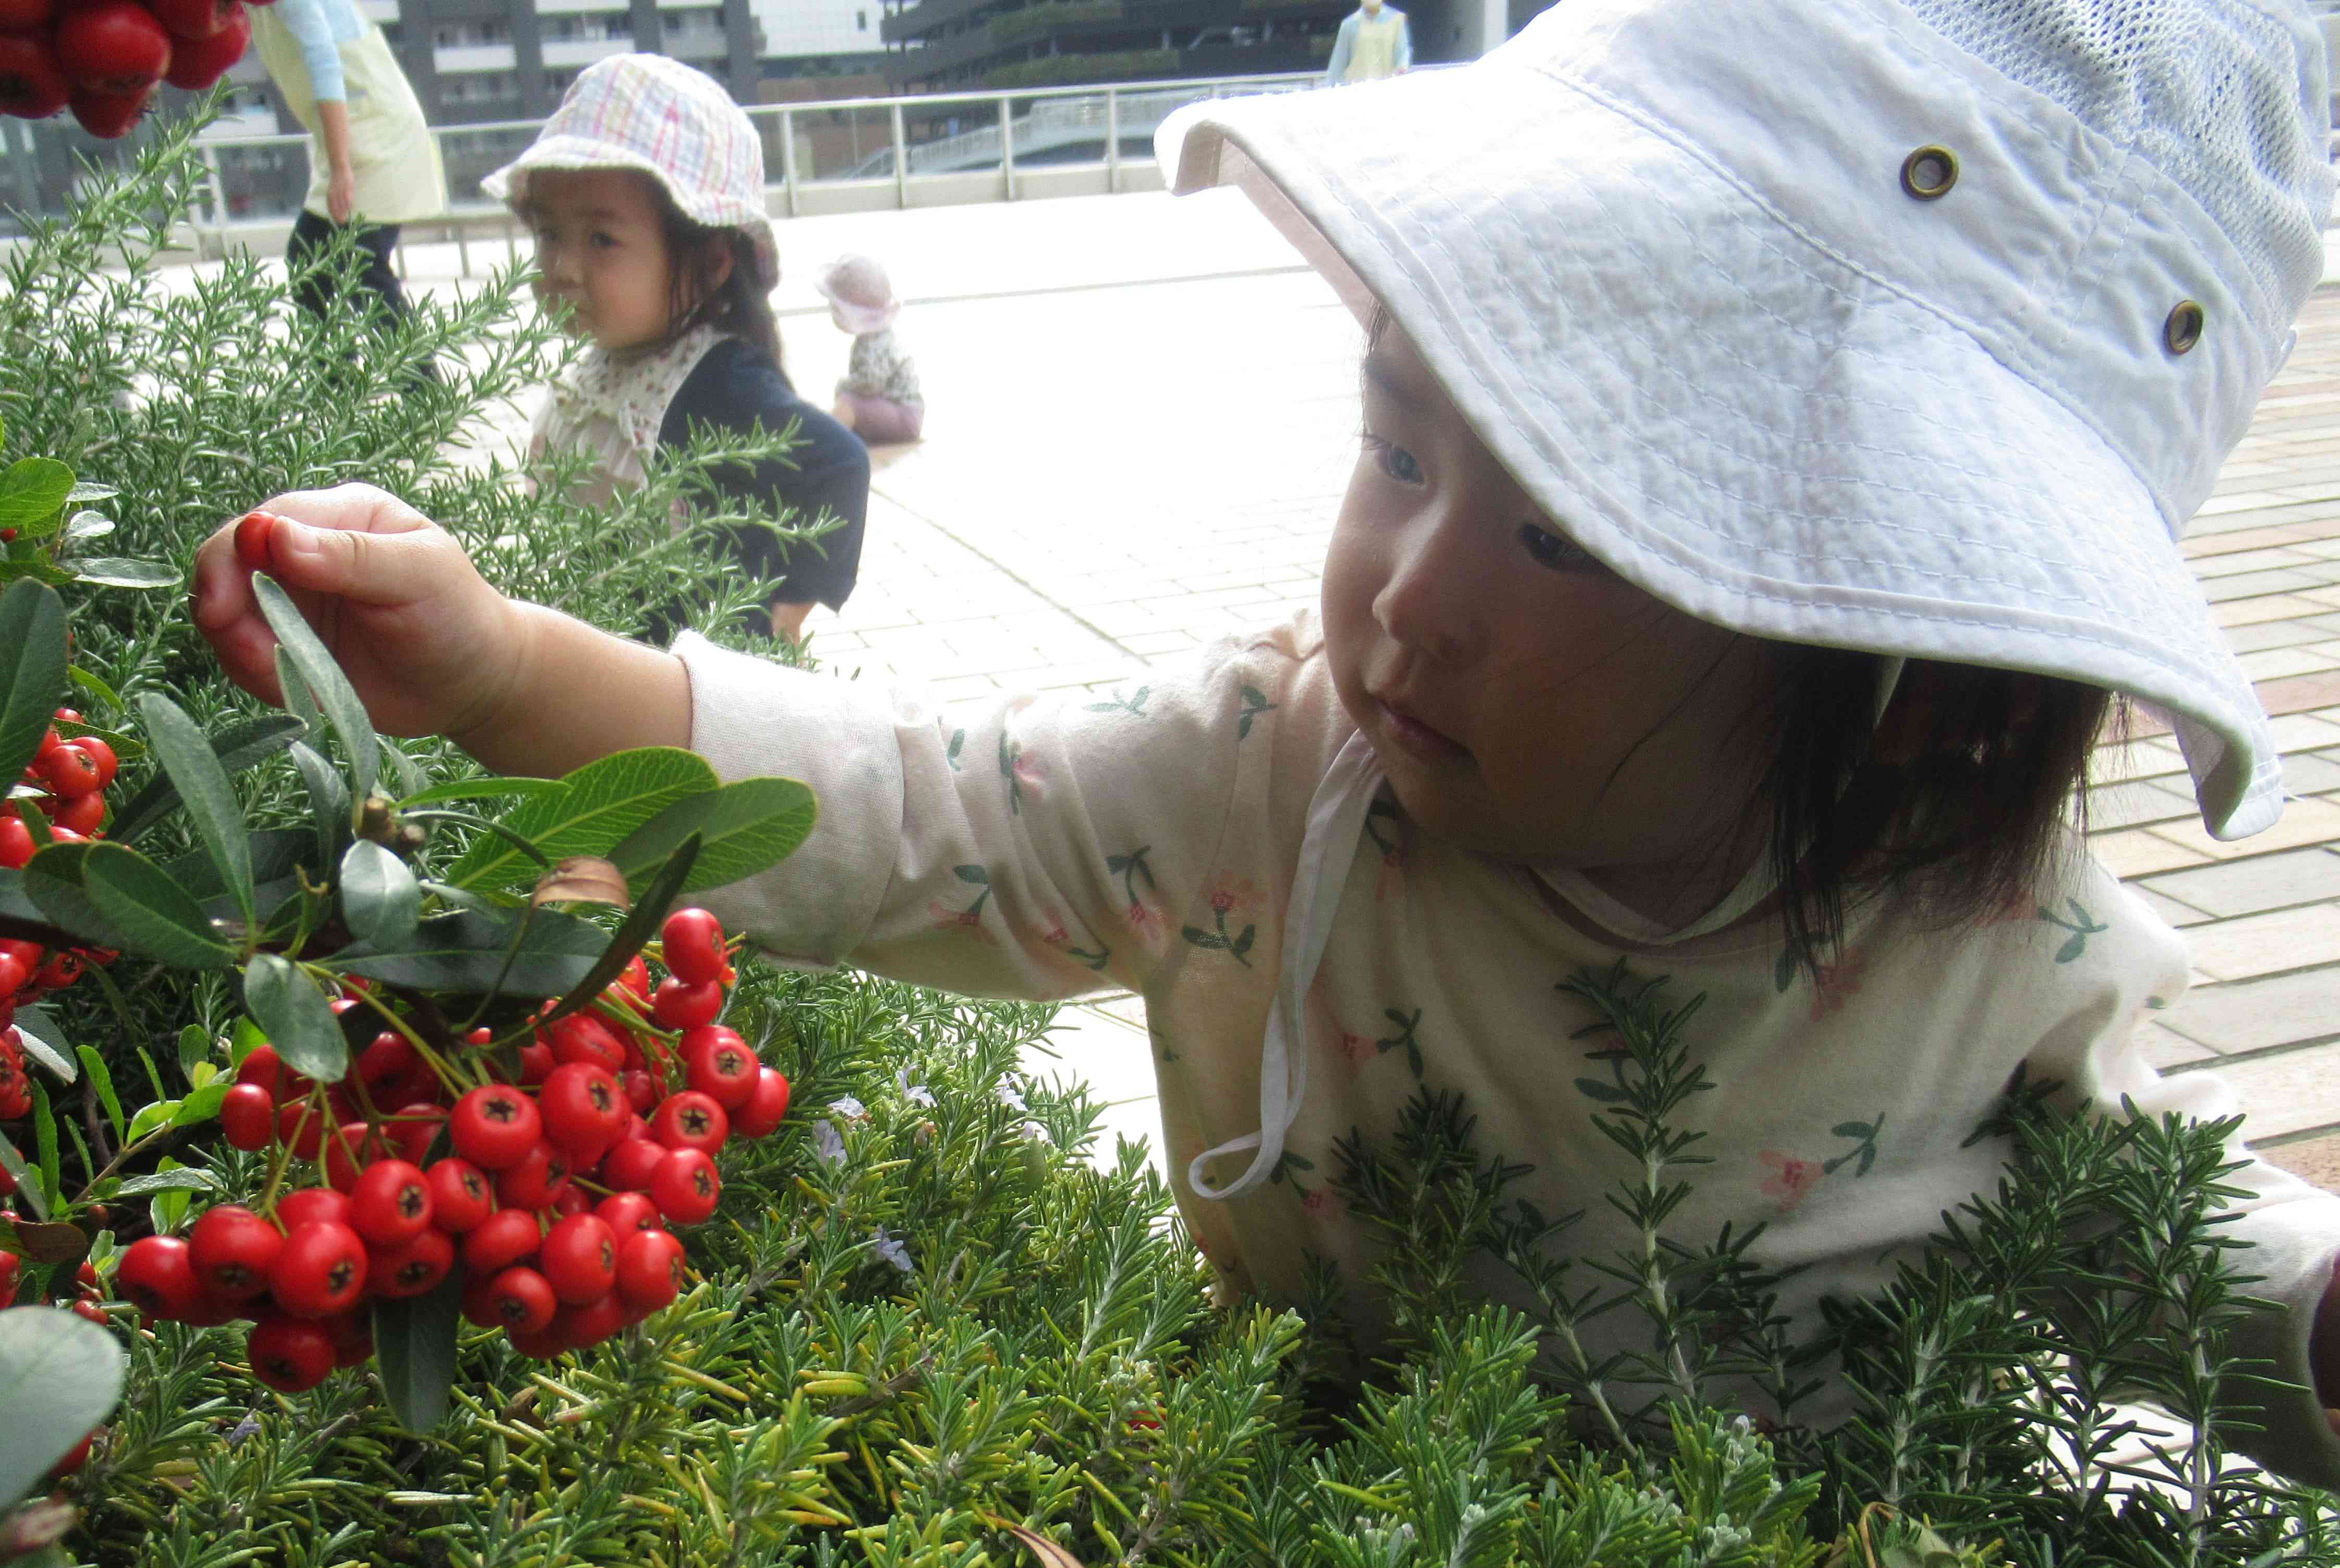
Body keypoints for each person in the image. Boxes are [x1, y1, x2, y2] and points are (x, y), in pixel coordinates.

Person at [191, 0, 2340, 1487]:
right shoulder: (1268, 774)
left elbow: (2157, 1224)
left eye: (1578, 532)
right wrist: (491, 670)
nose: (1408, 588)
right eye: (1395, 443)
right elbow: (905, 801)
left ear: (1907, 666)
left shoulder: (1979, 948)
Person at [489, 54, 869, 645]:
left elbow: (838, 462)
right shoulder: (610, 359)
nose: (562, 267)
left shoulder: (717, 381)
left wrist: (786, 609)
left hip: (695, 690)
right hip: (605, 653)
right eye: (549, 233)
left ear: (713, 261)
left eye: (601, 239)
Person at [249, 0, 449, 332]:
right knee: (310, 259)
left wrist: (342, 168)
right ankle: (336, 380)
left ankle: (421, 384)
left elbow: (325, 62)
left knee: (361, 267)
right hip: (355, 132)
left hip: (377, 134)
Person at [819, 253, 924, 447]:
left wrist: (845, 385)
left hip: (904, 416)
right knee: (848, 400)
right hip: (899, 411)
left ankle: (826, 443)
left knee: (848, 404)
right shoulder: (875, 336)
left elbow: (870, 384)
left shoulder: (873, 345)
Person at [1324, 0, 1410, 85]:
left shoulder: (1396, 20)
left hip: (1387, 87)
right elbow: (1338, 63)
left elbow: (1403, 53)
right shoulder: (1349, 24)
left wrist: (1402, 68)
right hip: (1356, 88)